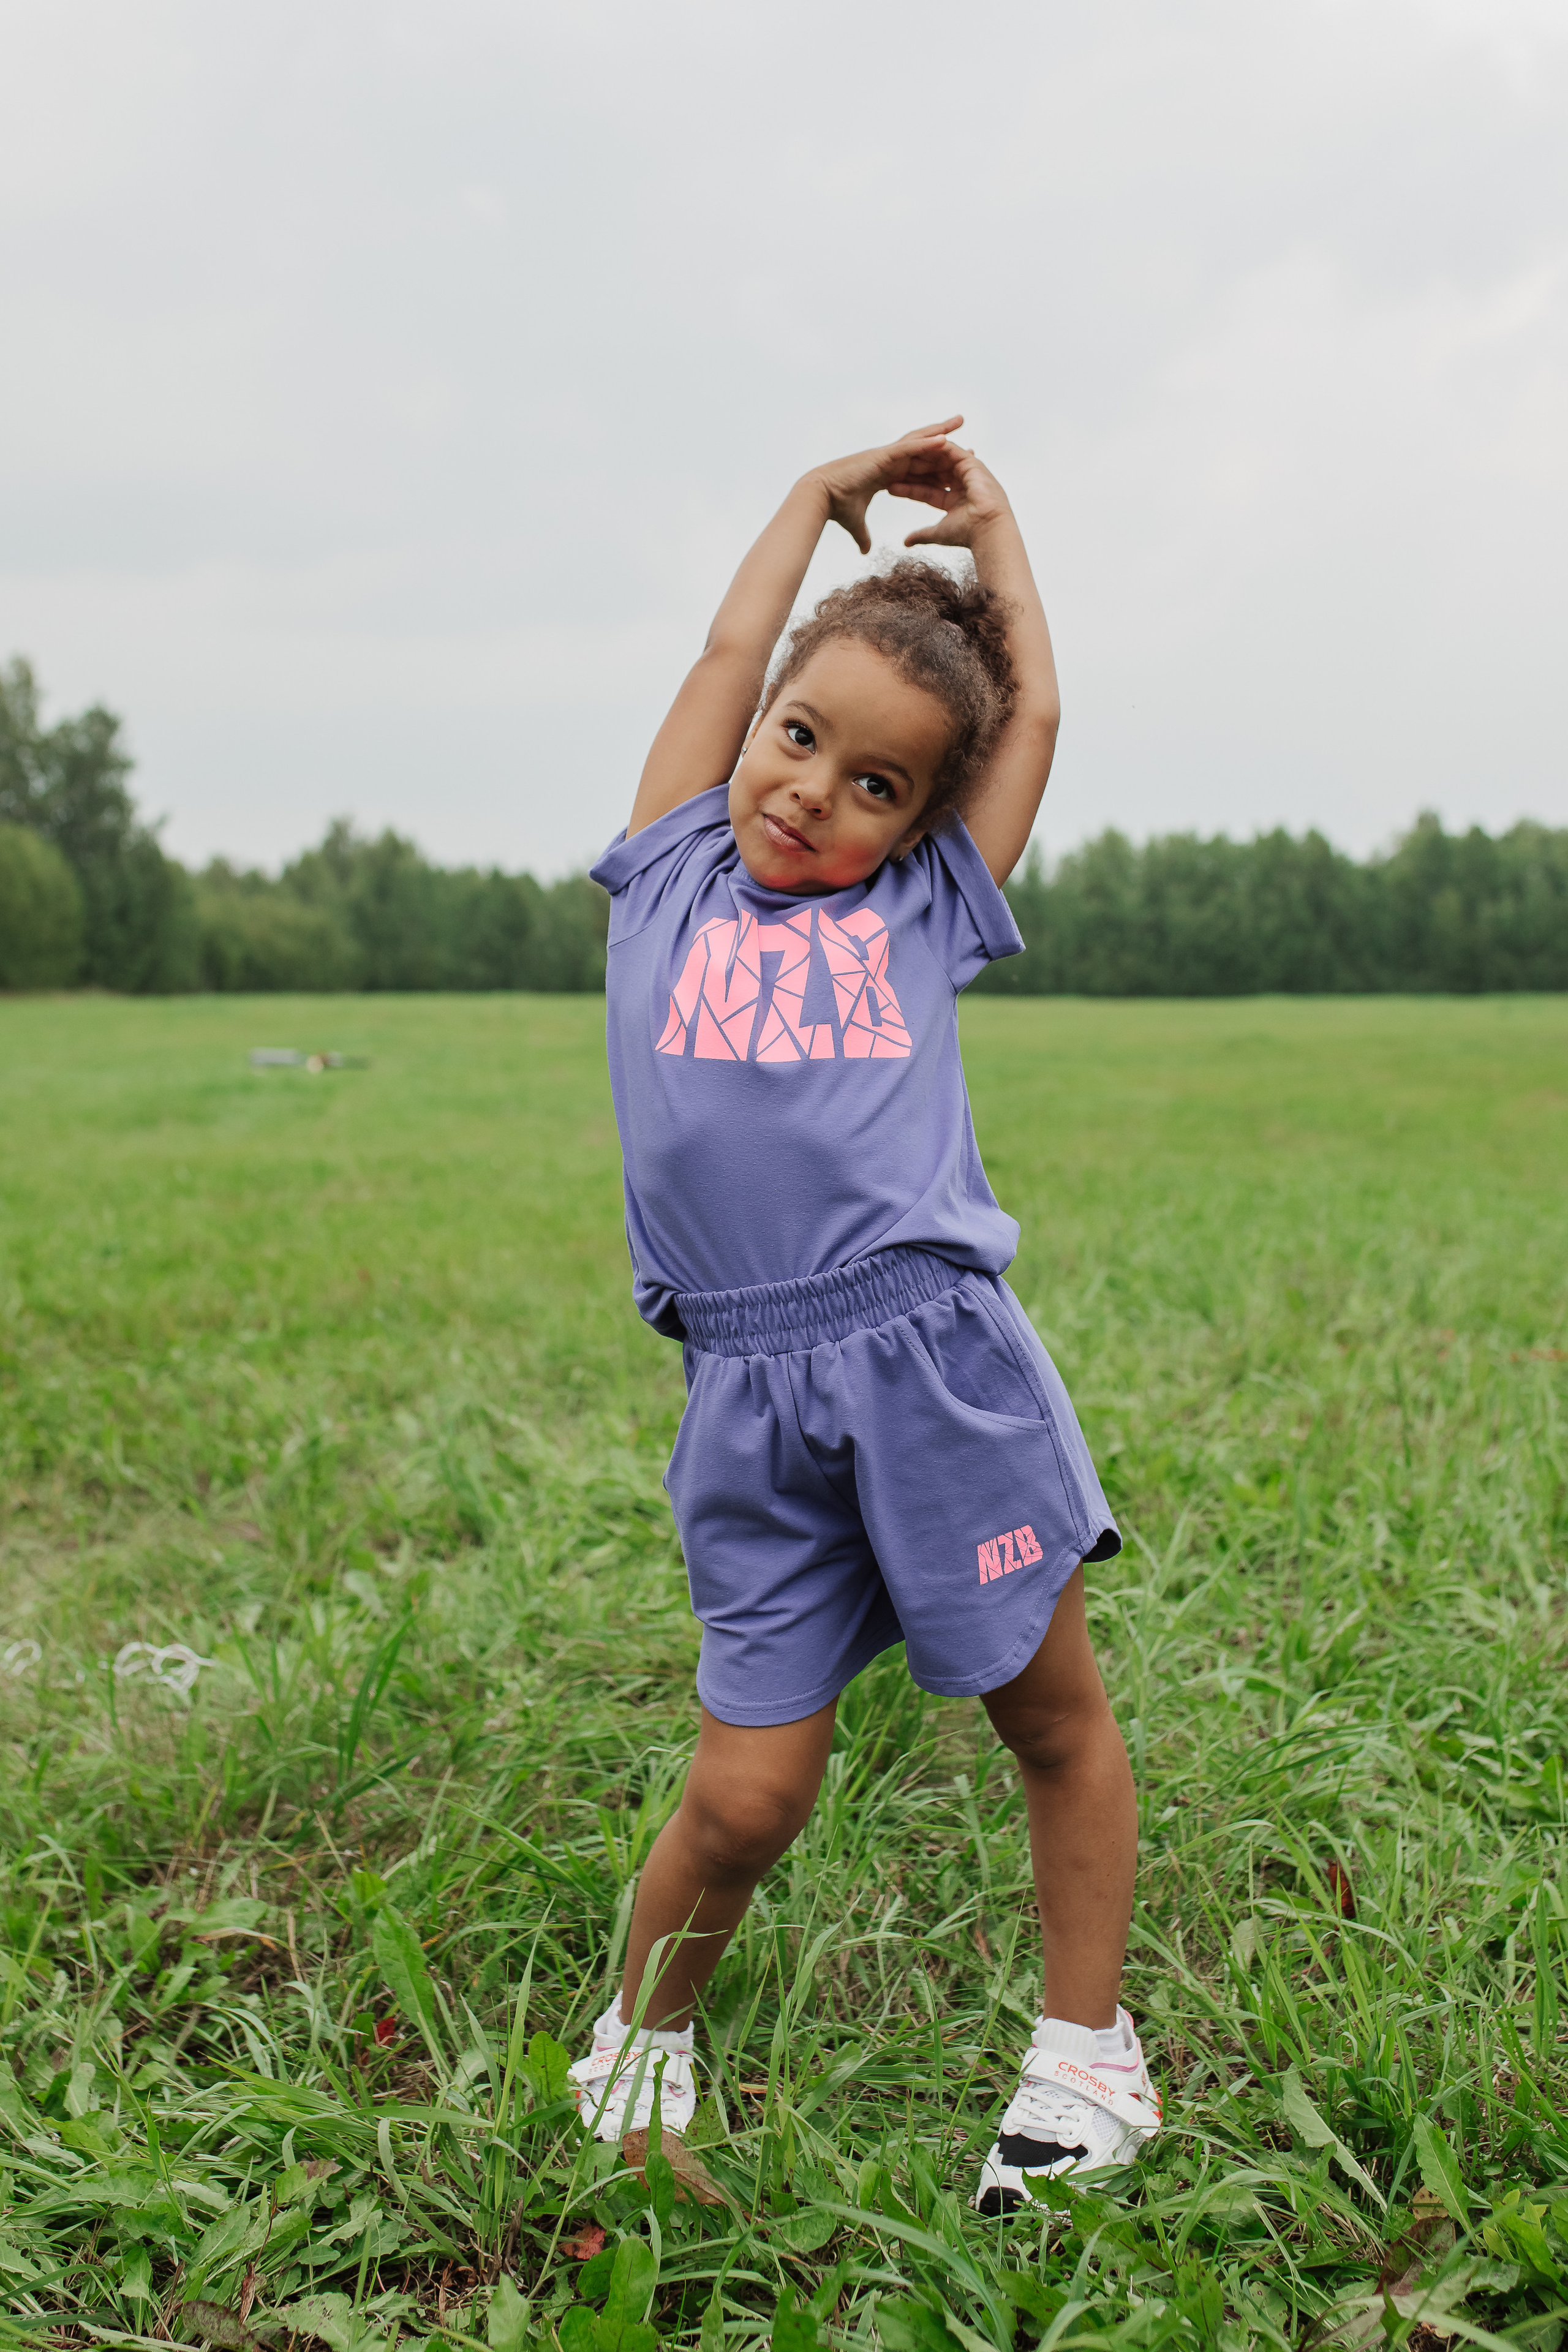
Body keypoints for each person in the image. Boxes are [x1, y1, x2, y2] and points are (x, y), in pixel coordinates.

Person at [571, 418, 1160, 2211]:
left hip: (931, 1372)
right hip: (745, 1400)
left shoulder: (921, 914)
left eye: (880, 782)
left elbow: (1034, 720)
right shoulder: (667, 870)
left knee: (1046, 1717)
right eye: (802, 739)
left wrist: (998, 542)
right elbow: (724, 652)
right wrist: (811, 503)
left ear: (926, 822)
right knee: (747, 1797)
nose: (817, 789)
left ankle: (1084, 2064)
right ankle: (641, 2035)